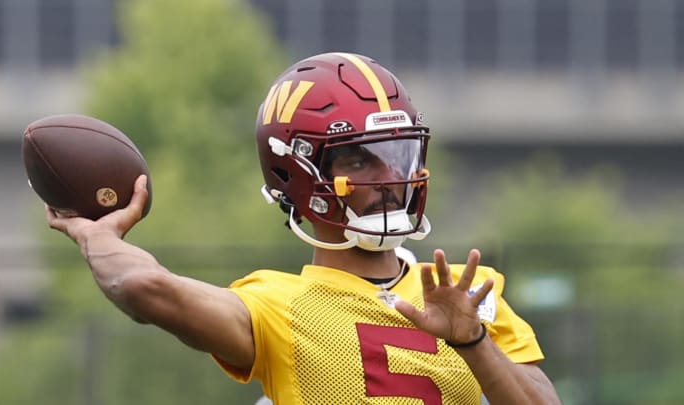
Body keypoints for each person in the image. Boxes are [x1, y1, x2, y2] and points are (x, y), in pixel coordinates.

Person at [46, 52, 560, 404]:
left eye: (398, 154)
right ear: (298, 175)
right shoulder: (277, 306)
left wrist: (474, 342)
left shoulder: (470, 293)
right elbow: (139, 286)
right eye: (361, 161)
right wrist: (98, 234)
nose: (391, 178)